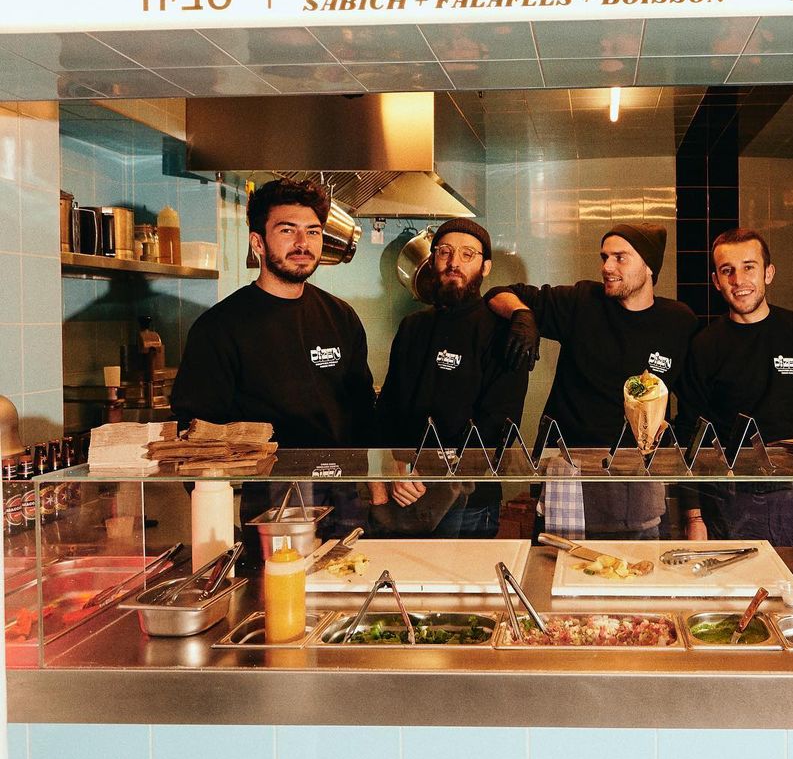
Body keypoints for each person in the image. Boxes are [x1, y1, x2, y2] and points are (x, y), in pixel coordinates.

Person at [171, 178, 377, 549]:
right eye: (287, 230)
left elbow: (363, 409)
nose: (303, 243)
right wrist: (214, 511)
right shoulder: (220, 327)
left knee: (350, 576)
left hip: (344, 489)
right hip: (271, 495)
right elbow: (197, 433)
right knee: (278, 584)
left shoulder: (340, 316)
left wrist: (375, 475)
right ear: (258, 243)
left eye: (313, 232)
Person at [486, 222, 698, 539]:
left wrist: (670, 442)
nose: (607, 267)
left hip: (637, 479)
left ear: (649, 266)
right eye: (605, 257)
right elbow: (497, 294)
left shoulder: (678, 321)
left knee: (635, 566)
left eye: (620, 257)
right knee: (560, 567)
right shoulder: (582, 301)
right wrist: (522, 315)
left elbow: (693, 404)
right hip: (570, 469)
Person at [678, 227, 793, 547]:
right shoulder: (704, 346)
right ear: (716, 281)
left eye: (749, 267)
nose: (739, 280)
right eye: (727, 270)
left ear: (768, 273)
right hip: (733, 502)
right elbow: (689, 435)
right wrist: (694, 517)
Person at [372, 218, 528, 538]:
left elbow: (499, 427)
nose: (454, 262)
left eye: (467, 254)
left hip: (470, 501)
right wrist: (396, 469)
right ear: (433, 261)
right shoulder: (412, 327)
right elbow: (388, 409)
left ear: (485, 267)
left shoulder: (502, 333)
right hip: (408, 493)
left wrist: (432, 474)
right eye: (445, 252)